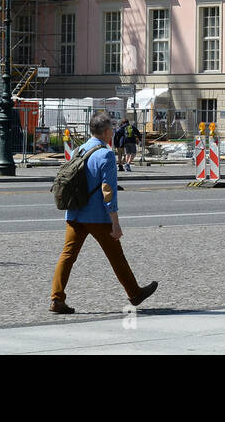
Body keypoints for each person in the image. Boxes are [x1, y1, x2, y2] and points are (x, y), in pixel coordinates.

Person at [49, 110, 158, 314]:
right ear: (107, 132)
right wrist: (115, 221)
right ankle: (134, 293)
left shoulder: (79, 150)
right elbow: (108, 191)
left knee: (67, 256)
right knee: (116, 256)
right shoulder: (106, 154)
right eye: (112, 130)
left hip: (74, 213)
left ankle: (56, 299)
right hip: (97, 216)